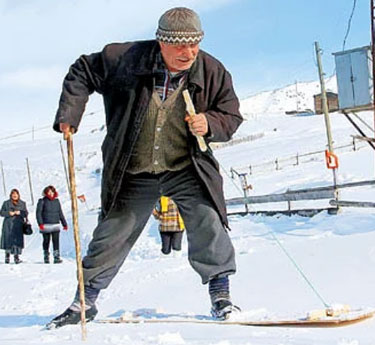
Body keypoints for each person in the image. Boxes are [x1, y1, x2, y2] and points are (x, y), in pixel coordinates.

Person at [47, 7, 243, 329]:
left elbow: (231, 116)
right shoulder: (125, 58)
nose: (189, 52)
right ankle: (85, 300)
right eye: (180, 44)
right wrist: (70, 112)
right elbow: (82, 70)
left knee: (207, 220)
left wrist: (209, 123)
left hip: (185, 166)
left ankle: (221, 296)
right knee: (112, 233)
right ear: (161, 42)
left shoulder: (211, 70)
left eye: (195, 43)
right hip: (134, 168)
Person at [36, 185, 68, 264]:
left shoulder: (57, 201)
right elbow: (38, 213)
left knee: (56, 241)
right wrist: (40, 223)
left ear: (54, 192)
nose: (50, 193)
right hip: (46, 225)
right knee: (46, 241)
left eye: (52, 191)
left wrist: (64, 224)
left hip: (55, 224)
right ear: (46, 193)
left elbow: (60, 213)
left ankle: (56, 257)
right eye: (48, 192)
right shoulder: (42, 201)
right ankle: (46, 255)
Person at [0, 189, 28, 264]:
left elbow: (26, 213)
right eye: (13, 194)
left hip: (18, 225)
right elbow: (1, 213)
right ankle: (7, 256)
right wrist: (9, 213)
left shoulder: (22, 203)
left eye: (16, 194)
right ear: (11, 195)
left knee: (17, 241)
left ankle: (16, 257)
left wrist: (20, 212)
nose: (15, 195)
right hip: (8, 225)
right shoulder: (6, 203)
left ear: (18, 195)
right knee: (8, 240)